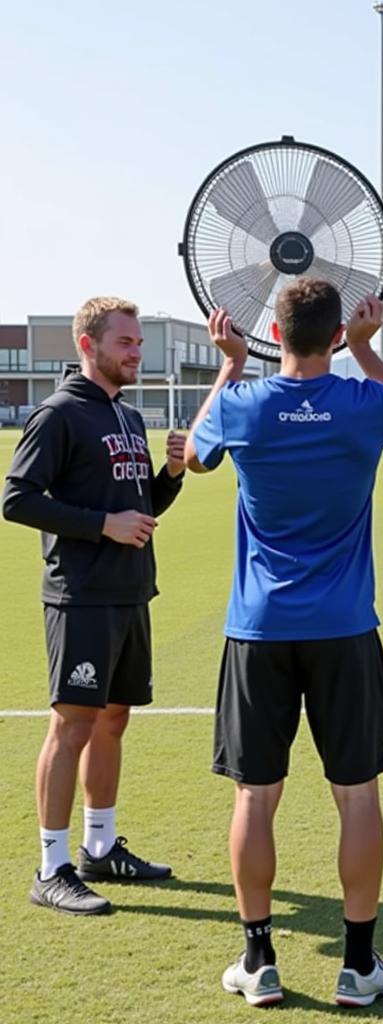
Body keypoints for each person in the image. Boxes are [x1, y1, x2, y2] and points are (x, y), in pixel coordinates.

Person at [184, 280, 383, 1007]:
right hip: (345, 629)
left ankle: (258, 960)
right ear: (335, 333)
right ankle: (359, 968)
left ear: (272, 329)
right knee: (356, 796)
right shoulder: (362, 402)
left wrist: (230, 365)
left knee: (256, 797)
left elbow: (195, 459)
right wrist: (367, 352)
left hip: (258, 630)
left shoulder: (242, 403)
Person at [3, 296, 184, 915]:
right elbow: (18, 500)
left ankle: (99, 848)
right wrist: (102, 524)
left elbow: (144, 512)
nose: (137, 352)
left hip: (131, 591)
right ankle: (50, 867)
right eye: (126, 343)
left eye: (138, 343)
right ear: (90, 345)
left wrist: (172, 476)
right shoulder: (58, 415)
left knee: (113, 720)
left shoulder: (130, 419)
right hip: (79, 596)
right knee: (72, 724)